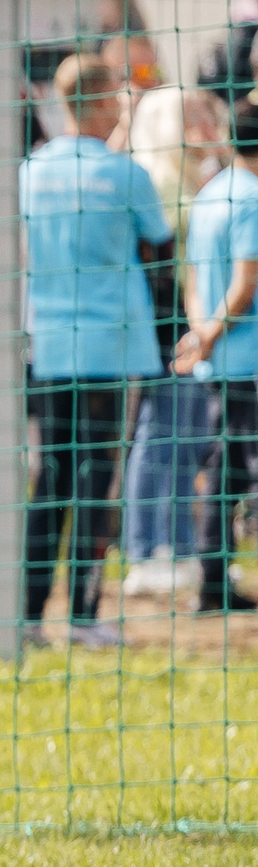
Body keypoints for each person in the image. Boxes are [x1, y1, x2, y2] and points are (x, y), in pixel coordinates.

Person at [18, 55, 173, 646]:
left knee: (50, 478)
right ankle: (84, 613)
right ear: (105, 100)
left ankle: (29, 616)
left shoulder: (32, 168)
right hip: (111, 342)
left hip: (49, 343)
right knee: (96, 480)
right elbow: (159, 244)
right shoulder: (124, 173)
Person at [119, 84, 227, 598]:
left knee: (185, 439)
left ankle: (181, 547)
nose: (204, 124)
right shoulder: (160, 181)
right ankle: (144, 550)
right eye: (192, 116)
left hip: (190, 325)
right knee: (159, 436)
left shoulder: (193, 180)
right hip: (167, 327)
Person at [173, 96, 258, 616]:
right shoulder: (251, 198)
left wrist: (200, 331)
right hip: (247, 358)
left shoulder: (211, 193)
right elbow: (246, 281)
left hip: (217, 359)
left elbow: (193, 275)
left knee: (223, 471)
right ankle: (211, 581)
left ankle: (211, 581)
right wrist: (214, 331)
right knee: (236, 470)